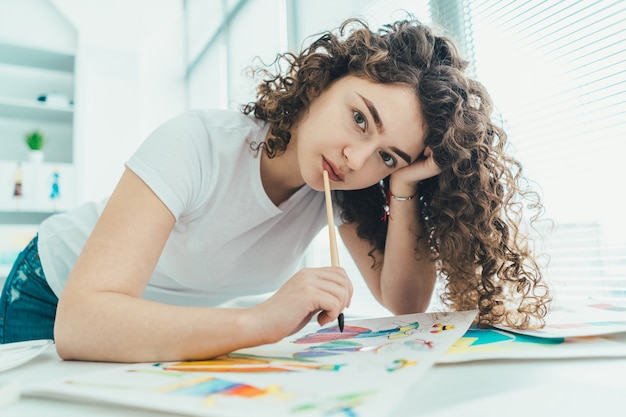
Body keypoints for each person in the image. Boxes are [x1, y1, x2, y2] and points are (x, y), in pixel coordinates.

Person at [0, 16, 551, 361]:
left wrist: (404, 184)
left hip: (149, 325)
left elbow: (403, 300)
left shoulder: (339, 185)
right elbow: (81, 323)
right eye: (360, 118)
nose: (356, 158)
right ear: (324, 81)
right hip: (51, 293)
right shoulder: (196, 143)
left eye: (386, 154)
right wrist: (259, 321)